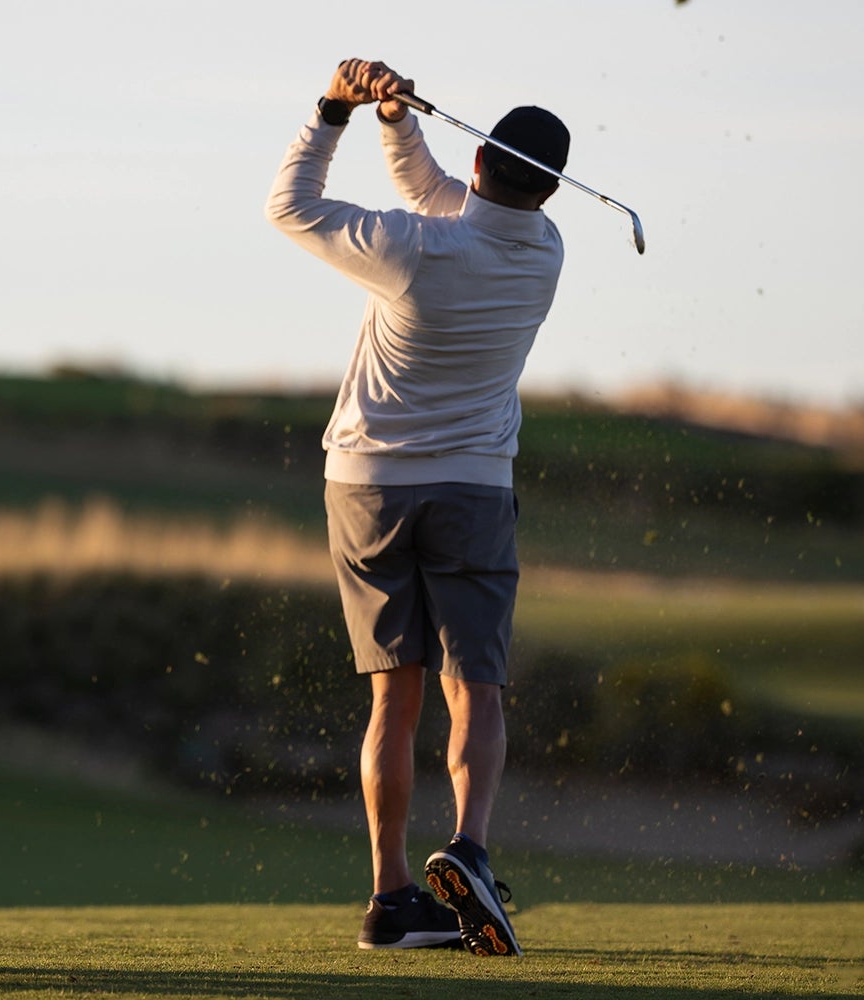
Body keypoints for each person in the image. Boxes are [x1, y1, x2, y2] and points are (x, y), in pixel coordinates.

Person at [265, 58, 569, 957]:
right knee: (474, 682)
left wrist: (335, 111)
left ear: (481, 165)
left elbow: (292, 205)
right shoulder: (545, 251)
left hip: (366, 484)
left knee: (391, 699)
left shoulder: (412, 248)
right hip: (474, 484)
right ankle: (469, 850)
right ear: (547, 189)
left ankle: (392, 898)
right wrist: (397, 123)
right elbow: (449, 197)